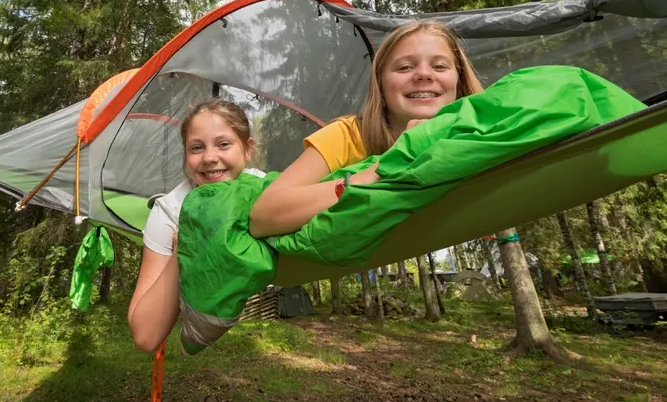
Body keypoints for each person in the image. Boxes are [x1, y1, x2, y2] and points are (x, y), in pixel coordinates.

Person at [249, 20, 482, 238]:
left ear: (459, 80)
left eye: (439, 66)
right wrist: (381, 170)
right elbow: (263, 217)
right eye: (404, 68)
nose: (423, 74)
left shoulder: (484, 133)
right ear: (380, 83)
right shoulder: (348, 135)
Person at [127, 99, 265, 352]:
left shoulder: (265, 191)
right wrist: (183, 246)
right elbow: (145, 336)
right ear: (185, 153)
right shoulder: (169, 211)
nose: (210, 158)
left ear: (248, 149)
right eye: (197, 148)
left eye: (224, 144)